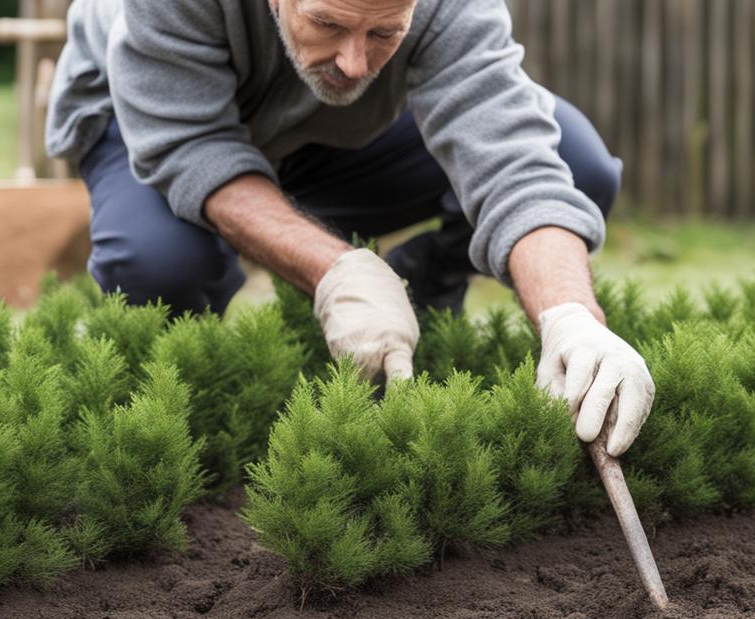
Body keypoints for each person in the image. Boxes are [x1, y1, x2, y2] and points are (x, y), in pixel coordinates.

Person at [45, 0, 655, 458]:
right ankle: (176, 425)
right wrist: (335, 268)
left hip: (338, 126)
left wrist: (569, 316)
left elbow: (511, 158)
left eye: (385, 32)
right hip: (156, 110)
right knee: (160, 265)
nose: (355, 60)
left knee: (576, 166)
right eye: (329, 23)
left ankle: (426, 276)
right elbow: (188, 144)